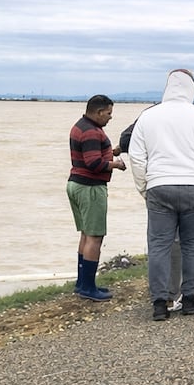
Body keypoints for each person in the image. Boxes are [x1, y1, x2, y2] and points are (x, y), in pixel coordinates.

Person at [128, 69, 194, 322]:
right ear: (192, 89)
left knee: (159, 246)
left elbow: (136, 158)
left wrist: (144, 187)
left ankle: (160, 303)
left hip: (159, 186)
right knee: (193, 246)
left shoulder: (148, 117)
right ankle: (189, 299)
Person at [66, 94, 126, 301]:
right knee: (95, 237)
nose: (110, 117)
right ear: (99, 112)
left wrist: (111, 151)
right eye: (108, 113)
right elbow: (93, 164)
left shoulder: (80, 126)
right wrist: (117, 165)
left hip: (75, 183)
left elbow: (90, 155)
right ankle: (89, 288)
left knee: (86, 235)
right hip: (90, 188)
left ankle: (82, 283)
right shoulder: (92, 132)